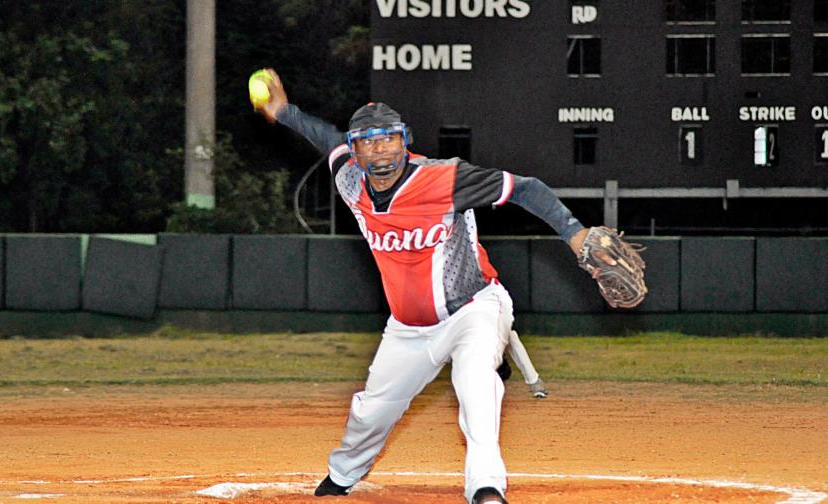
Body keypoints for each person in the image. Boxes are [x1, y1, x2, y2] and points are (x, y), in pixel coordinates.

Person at [254, 69, 605, 504]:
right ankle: (342, 476)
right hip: (408, 328)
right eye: (369, 141)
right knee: (371, 412)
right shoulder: (348, 179)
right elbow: (325, 137)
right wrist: (283, 112)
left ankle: (486, 488)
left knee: (475, 383)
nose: (381, 148)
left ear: (404, 140)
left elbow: (526, 189)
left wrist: (574, 233)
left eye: (389, 138)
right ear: (355, 150)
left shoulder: (443, 178)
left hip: (473, 308)